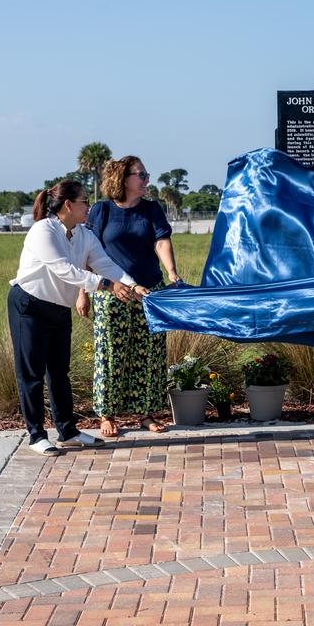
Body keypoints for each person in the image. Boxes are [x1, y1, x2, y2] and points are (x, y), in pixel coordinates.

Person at [9, 180, 145, 455]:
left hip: (59, 308)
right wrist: (107, 286)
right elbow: (65, 270)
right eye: (85, 201)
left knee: (60, 373)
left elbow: (105, 263)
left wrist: (131, 284)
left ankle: (68, 431)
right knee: (32, 374)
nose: (89, 207)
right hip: (30, 306)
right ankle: (36, 436)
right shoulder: (42, 231)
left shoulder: (83, 233)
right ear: (68, 205)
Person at [77, 156, 180, 437]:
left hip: (149, 292)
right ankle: (107, 415)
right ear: (123, 179)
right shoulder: (102, 210)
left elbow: (161, 240)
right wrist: (83, 293)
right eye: (141, 175)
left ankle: (146, 415)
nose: (147, 180)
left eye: (147, 174)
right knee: (111, 353)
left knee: (149, 355)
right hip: (112, 293)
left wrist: (172, 273)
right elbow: (88, 253)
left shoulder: (151, 210)